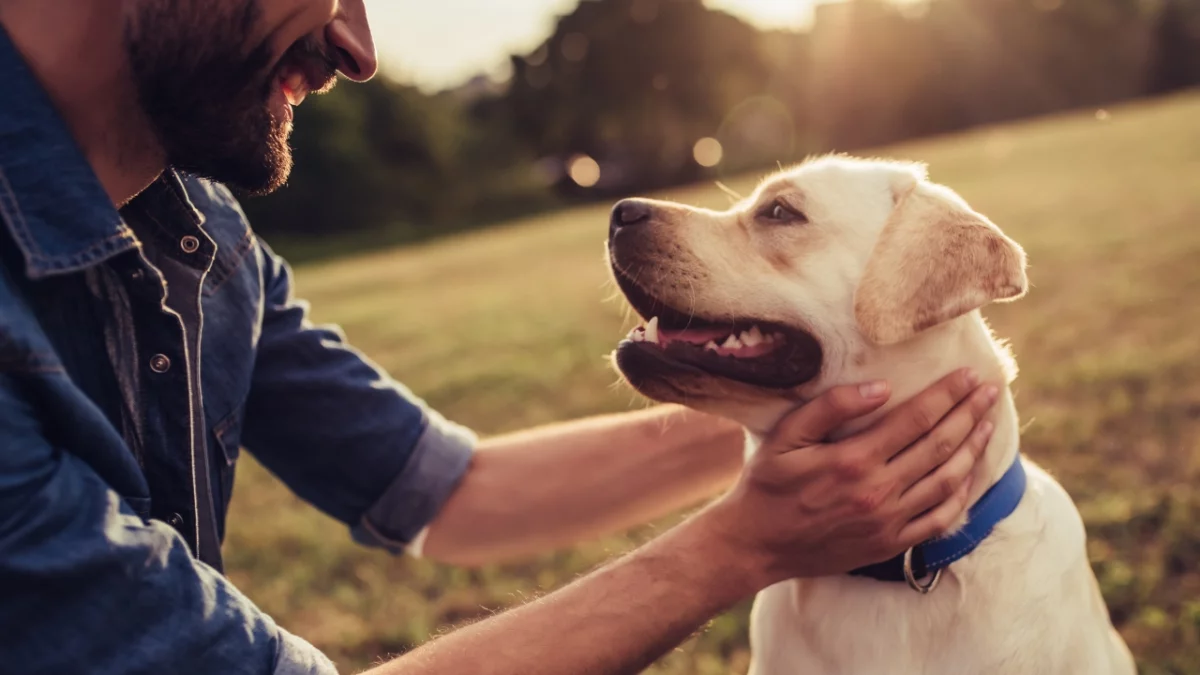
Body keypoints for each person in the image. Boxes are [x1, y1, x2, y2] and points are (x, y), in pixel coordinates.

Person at [0, 2, 999, 673]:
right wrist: (737, 548)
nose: (357, 46)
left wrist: (849, 410)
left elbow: (451, 491)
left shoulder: (203, 238)